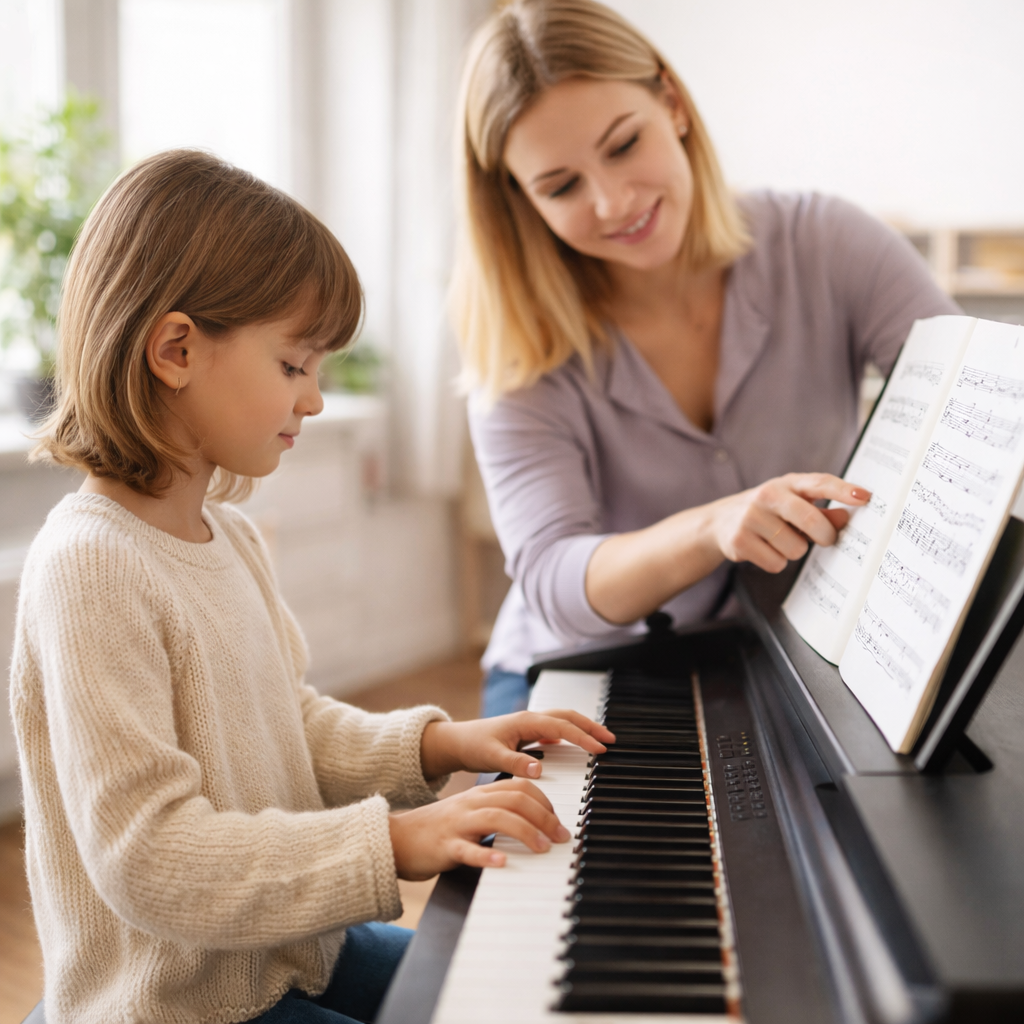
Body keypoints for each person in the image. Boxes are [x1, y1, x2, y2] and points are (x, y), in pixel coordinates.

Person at [9, 149, 614, 1024]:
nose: (317, 399)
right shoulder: (93, 566)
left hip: (283, 951)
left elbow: (285, 723)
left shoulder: (230, 534)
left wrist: (439, 745)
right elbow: (148, 857)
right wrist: (393, 840)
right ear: (176, 350)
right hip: (174, 1002)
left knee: (496, 989)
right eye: (295, 366)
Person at [452, 0, 960, 717]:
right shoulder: (519, 349)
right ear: (518, 200)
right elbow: (556, 582)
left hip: (784, 653)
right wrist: (712, 526)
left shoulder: (826, 241)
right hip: (580, 668)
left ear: (673, 103)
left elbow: (972, 409)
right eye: (561, 186)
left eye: (624, 144)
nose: (613, 201)